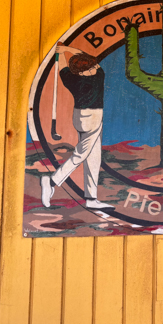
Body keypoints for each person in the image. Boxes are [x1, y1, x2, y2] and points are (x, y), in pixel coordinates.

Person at [40, 44, 113, 210]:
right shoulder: (98, 76)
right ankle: (51, 181)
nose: (93, 68)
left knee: (94, 157)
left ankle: (91, 198)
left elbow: (65, 67)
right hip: (93, 118)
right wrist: (69, 49)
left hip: (79, 117)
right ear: (82, 72)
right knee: (81, 155)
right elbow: (91, 61)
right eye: (89, 68)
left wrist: (62, 52)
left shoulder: (71, 79)